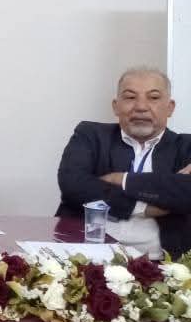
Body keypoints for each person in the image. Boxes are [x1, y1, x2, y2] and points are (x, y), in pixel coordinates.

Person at [57, 66, 191, 259]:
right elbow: (73, 184)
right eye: (130, 97)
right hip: (86, 256)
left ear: (170, 107)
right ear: (116, 106)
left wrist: (124, 179)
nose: (141, 107)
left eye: (153, 97)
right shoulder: (91, 135)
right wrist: (144, 207)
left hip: (161, 263)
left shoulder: (186, 147)